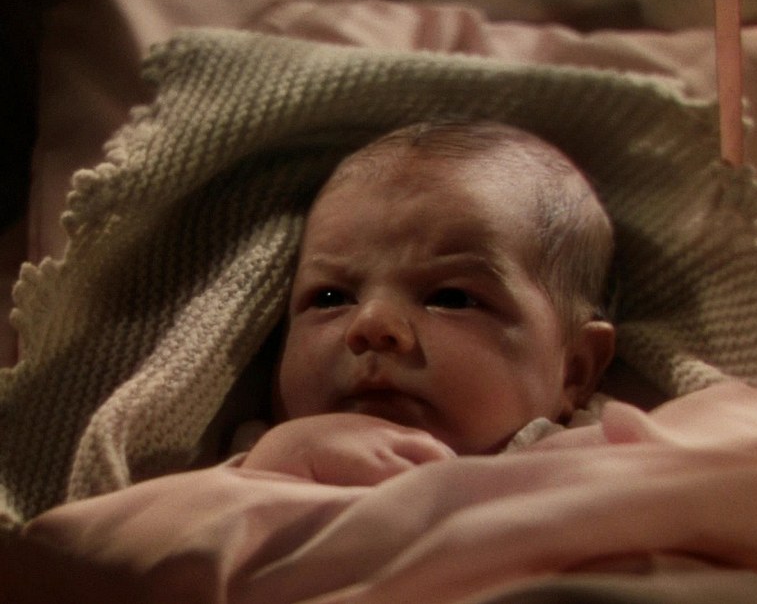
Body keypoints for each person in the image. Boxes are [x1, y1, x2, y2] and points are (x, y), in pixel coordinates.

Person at [236, 119, 617, 485]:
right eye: (330, 298)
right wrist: (272, 466)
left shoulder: (601, 461)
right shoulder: (253, 463)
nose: (371, 324)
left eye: (451, 298)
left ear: (574, 371)